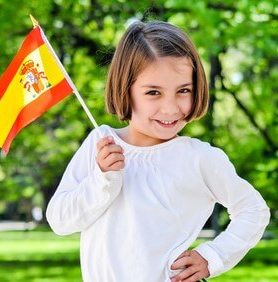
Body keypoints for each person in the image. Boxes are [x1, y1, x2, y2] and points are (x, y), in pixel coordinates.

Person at [46, 20, 270, 282]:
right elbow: (60, 221)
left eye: (183, 90)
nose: (170, 108)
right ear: (125, 90)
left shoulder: (199, 158)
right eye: (153, 92)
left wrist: (213, 256)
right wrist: (102, 179)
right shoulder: (102, 144)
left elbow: (254, 210)